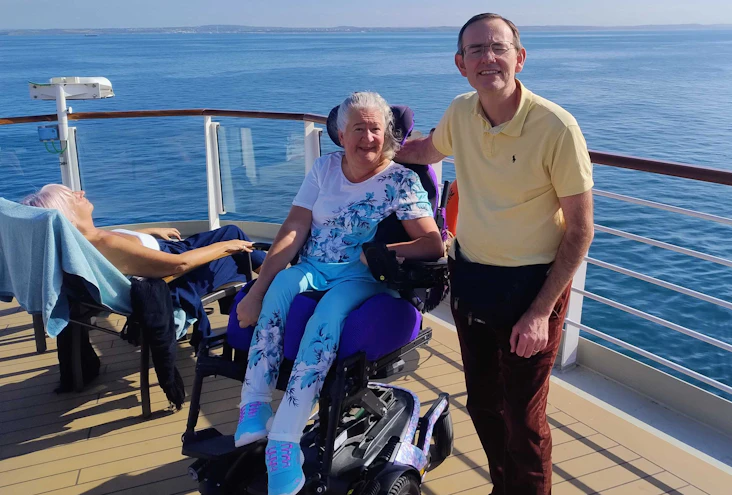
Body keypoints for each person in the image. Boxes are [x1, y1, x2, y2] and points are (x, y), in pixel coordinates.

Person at [395, 13, 594, 495]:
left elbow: (581, 230)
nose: (488, 58)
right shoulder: (461, 111)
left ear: (519, 58)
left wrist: (540, 312)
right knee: (484, 404)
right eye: (476, 50)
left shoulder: (556, 127)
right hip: (472, 279)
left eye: (498, 48)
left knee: (523, 419)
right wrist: (372, 150)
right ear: (461, 64)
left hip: (532, 289)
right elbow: (427, 150)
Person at [231, 92, 444, 495]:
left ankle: (284, 442)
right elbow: (295, 227)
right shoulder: (325, 168)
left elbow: (433, 245)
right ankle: (254, 405)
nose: (368, 138)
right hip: (313, 266)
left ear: (387, 133)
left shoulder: (400, 180)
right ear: (342, 135)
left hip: (361, 278)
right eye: (358, 129)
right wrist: (258, 289)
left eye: (375, 129)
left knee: (326, 317)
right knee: (278, 290)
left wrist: (380, 252)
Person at [21, 183, 265, 339]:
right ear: (69, 215)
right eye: (73, 197)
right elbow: (179, 265)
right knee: (236, 248)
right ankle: (262, 298)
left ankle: (257, 291)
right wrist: (225, 247)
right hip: (174, 277)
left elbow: (124, 249)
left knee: (232, 234)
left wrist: (147, 233)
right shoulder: (103, 243)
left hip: (167, 251)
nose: (81, 192)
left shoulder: (83, 240)